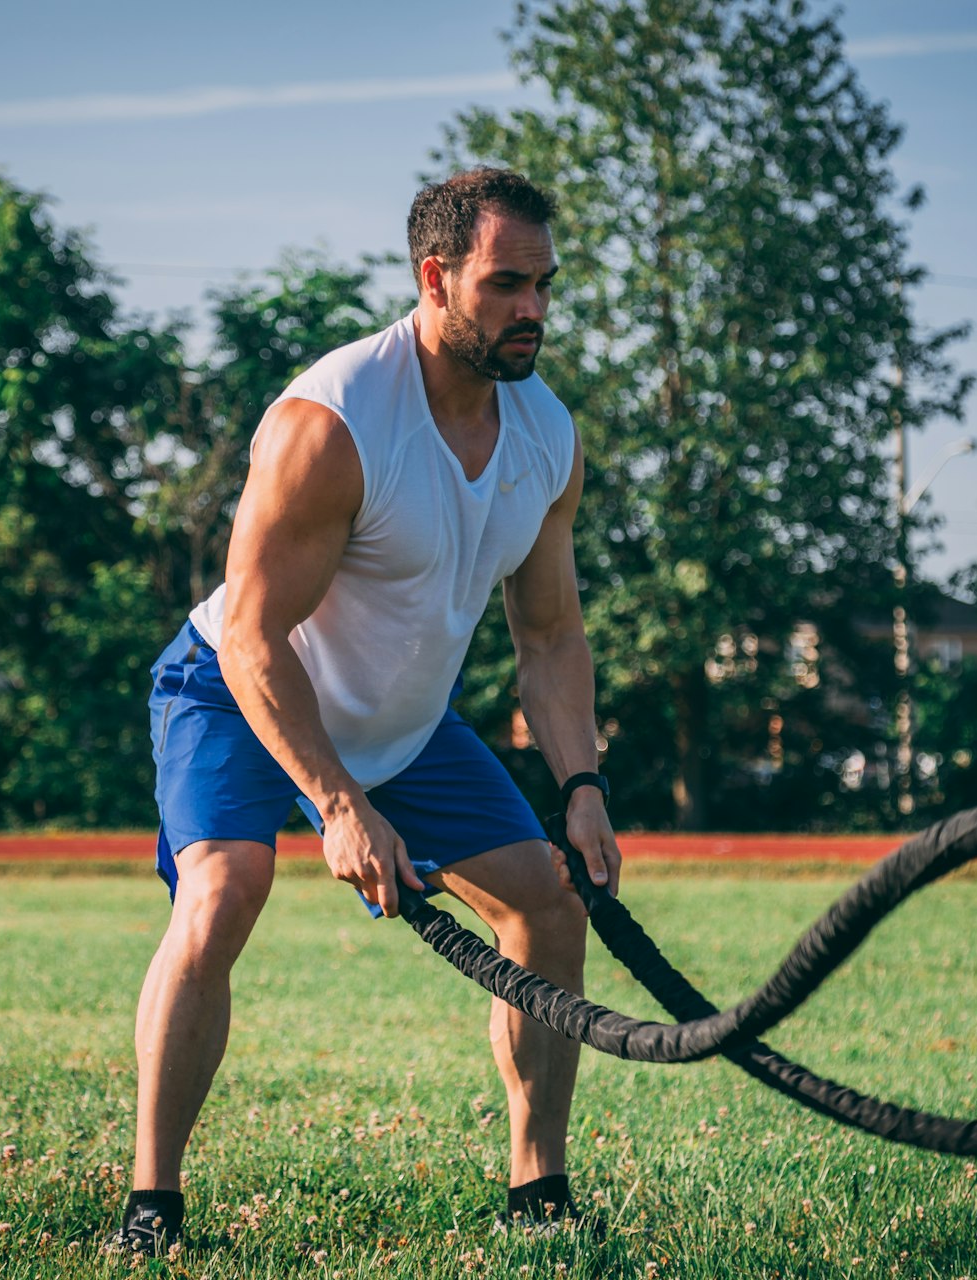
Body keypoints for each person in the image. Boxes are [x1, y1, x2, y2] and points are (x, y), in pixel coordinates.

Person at [110, 167, 622, 1255]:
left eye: (545, 284)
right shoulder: (334, 419)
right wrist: (336, 801)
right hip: (238, 687)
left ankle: (539, 1193)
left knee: (546, 906)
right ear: (435, 279)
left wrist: (581, 782)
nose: (533, 308)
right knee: (224, 888)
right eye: (506, 284)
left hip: (399, 718)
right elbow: (252, 633)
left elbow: (551, 635)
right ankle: (152, 1204)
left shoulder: (546, 437)